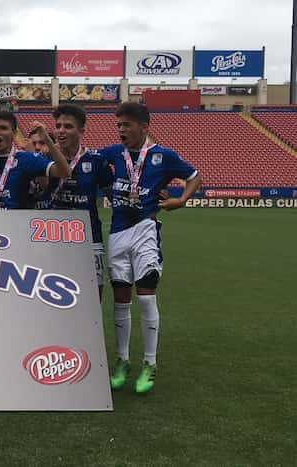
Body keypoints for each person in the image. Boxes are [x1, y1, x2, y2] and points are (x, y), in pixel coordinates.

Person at [100, 102, 202, 394]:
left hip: (145, 229)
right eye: (118, 125)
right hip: (117, 232)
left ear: (144, 126)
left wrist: (180, 200)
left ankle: (149, 362)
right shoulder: (113, 153)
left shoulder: (163, 155)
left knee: (145, 296)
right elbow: (84, 159)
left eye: (126, 125)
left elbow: (195, 176)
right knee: (120, 298)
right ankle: (122, 360)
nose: (121, 131)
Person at [46, 104, 114, 300]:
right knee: (53, 296)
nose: (61, 131)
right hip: (53, 237)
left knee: (94, 297)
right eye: (58, 126)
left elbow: (114, 198)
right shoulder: (44, 157)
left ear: (82, 130)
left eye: (68, 126)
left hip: (89, 238)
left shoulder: (96, 160)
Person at [0, 112, 71, 209]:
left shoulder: (26, 158)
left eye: (3, 128)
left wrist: (47, 140)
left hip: (16, 221)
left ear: (14, 134)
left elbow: (64, 172)